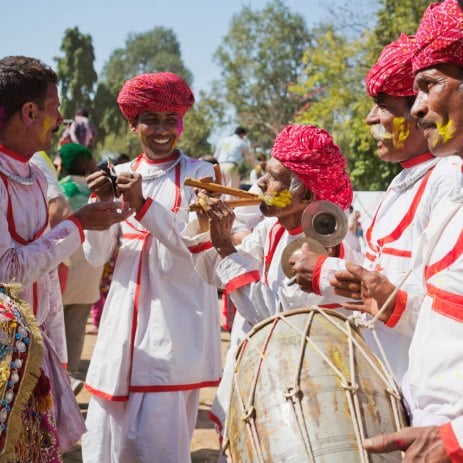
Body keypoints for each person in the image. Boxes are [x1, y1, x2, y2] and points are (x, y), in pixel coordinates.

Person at [315, 2, 463, 459]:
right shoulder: (412, 183)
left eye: (428, 85)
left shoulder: (448, 180)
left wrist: (454, 438)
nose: (418, 108)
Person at [289, 32, 462, 384]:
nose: (370, 119)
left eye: (383, 106)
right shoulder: (403, 182)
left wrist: (327, 273)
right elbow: (380, 277)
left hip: (430, 389)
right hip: (394, 379)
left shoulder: (448, 177)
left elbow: (441, 314)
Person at [182, 124, 353, 458]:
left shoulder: (322, 244)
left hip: (300, 388)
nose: (259, 183)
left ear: (306, 193)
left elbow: (276, 317)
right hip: (261, 372)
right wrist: (209, 228)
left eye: (274, 177)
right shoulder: (272, 230)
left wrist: (226, 250)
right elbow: (219, 278)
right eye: (264, 173)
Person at [80, 71, 222, 463]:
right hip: (119, 330)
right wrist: (103, 209)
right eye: (151, 120)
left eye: (169, 120)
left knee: (159, 447)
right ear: (133, 123)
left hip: (172, 331)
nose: (162, 130)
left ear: (181, 123)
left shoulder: (201, 175)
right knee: (105, 444)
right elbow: (96, 256)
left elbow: (194, 244)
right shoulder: (120, 173)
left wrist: (142, 205)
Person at [0, 55, 132, 460]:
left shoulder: (37, 171)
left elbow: (43, 274)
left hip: (34, 358)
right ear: (29, 112)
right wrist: (78, 226)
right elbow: (9, 271)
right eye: (54, 110)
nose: (59, 122)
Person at [58, 143, 104, 395]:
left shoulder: (57, 191)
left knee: (51, 329)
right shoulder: (96, 192)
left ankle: (54, 386)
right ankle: (69, 381)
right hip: (89, 271)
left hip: (61, 269)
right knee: (75, 331)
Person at [214, 126, 256, 192]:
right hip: (231, 167)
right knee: (231, 191)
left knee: (220, 190)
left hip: (219, 166)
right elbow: (249, 158)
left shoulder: (224, 140)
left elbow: (216, 155)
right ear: (242, 134)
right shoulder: (241, 143)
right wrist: (257, 166)